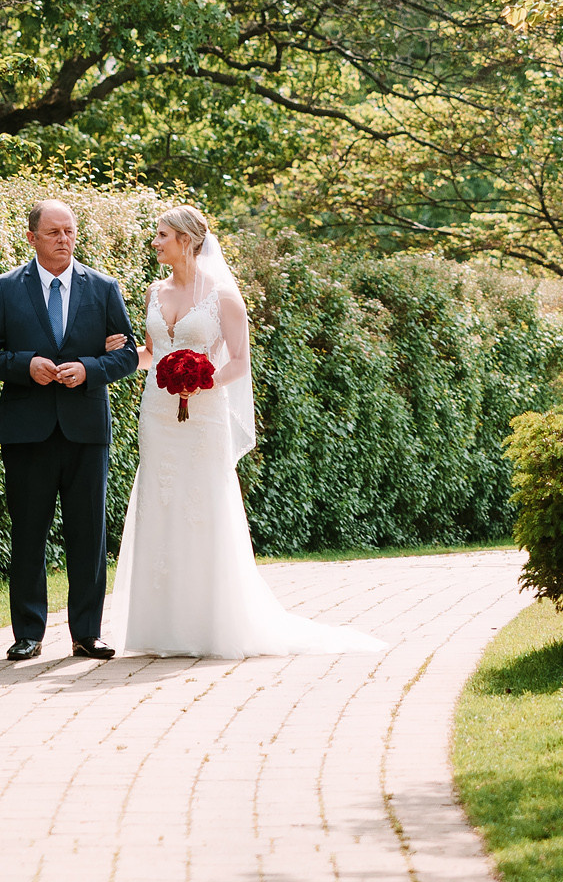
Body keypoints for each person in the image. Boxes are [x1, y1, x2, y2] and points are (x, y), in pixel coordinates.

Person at [103, 206, 384, 659]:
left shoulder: (223, 296)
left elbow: (239, 361)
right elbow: (154, 354)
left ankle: (207, 624)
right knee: (161, 501)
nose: (154, 242)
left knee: (201, 504)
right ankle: (158, 627)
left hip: (204, 413)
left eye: (161, 235)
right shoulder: (154, 291)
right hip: (157, 414)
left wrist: (199, 379)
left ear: (187, 240)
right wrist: (119, 353)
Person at [0, 199, 140, 661]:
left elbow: (127, 354)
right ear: (32, 238)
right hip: (27, 432)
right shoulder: (4, 288)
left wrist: (88, 369)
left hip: (86, 429)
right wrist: (27, 365)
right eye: (53, 233)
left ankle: (88, 633)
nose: (64, 240)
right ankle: (28, 633)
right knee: (28, 534)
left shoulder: (104, 288)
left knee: (89, 534)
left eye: (70, 231)